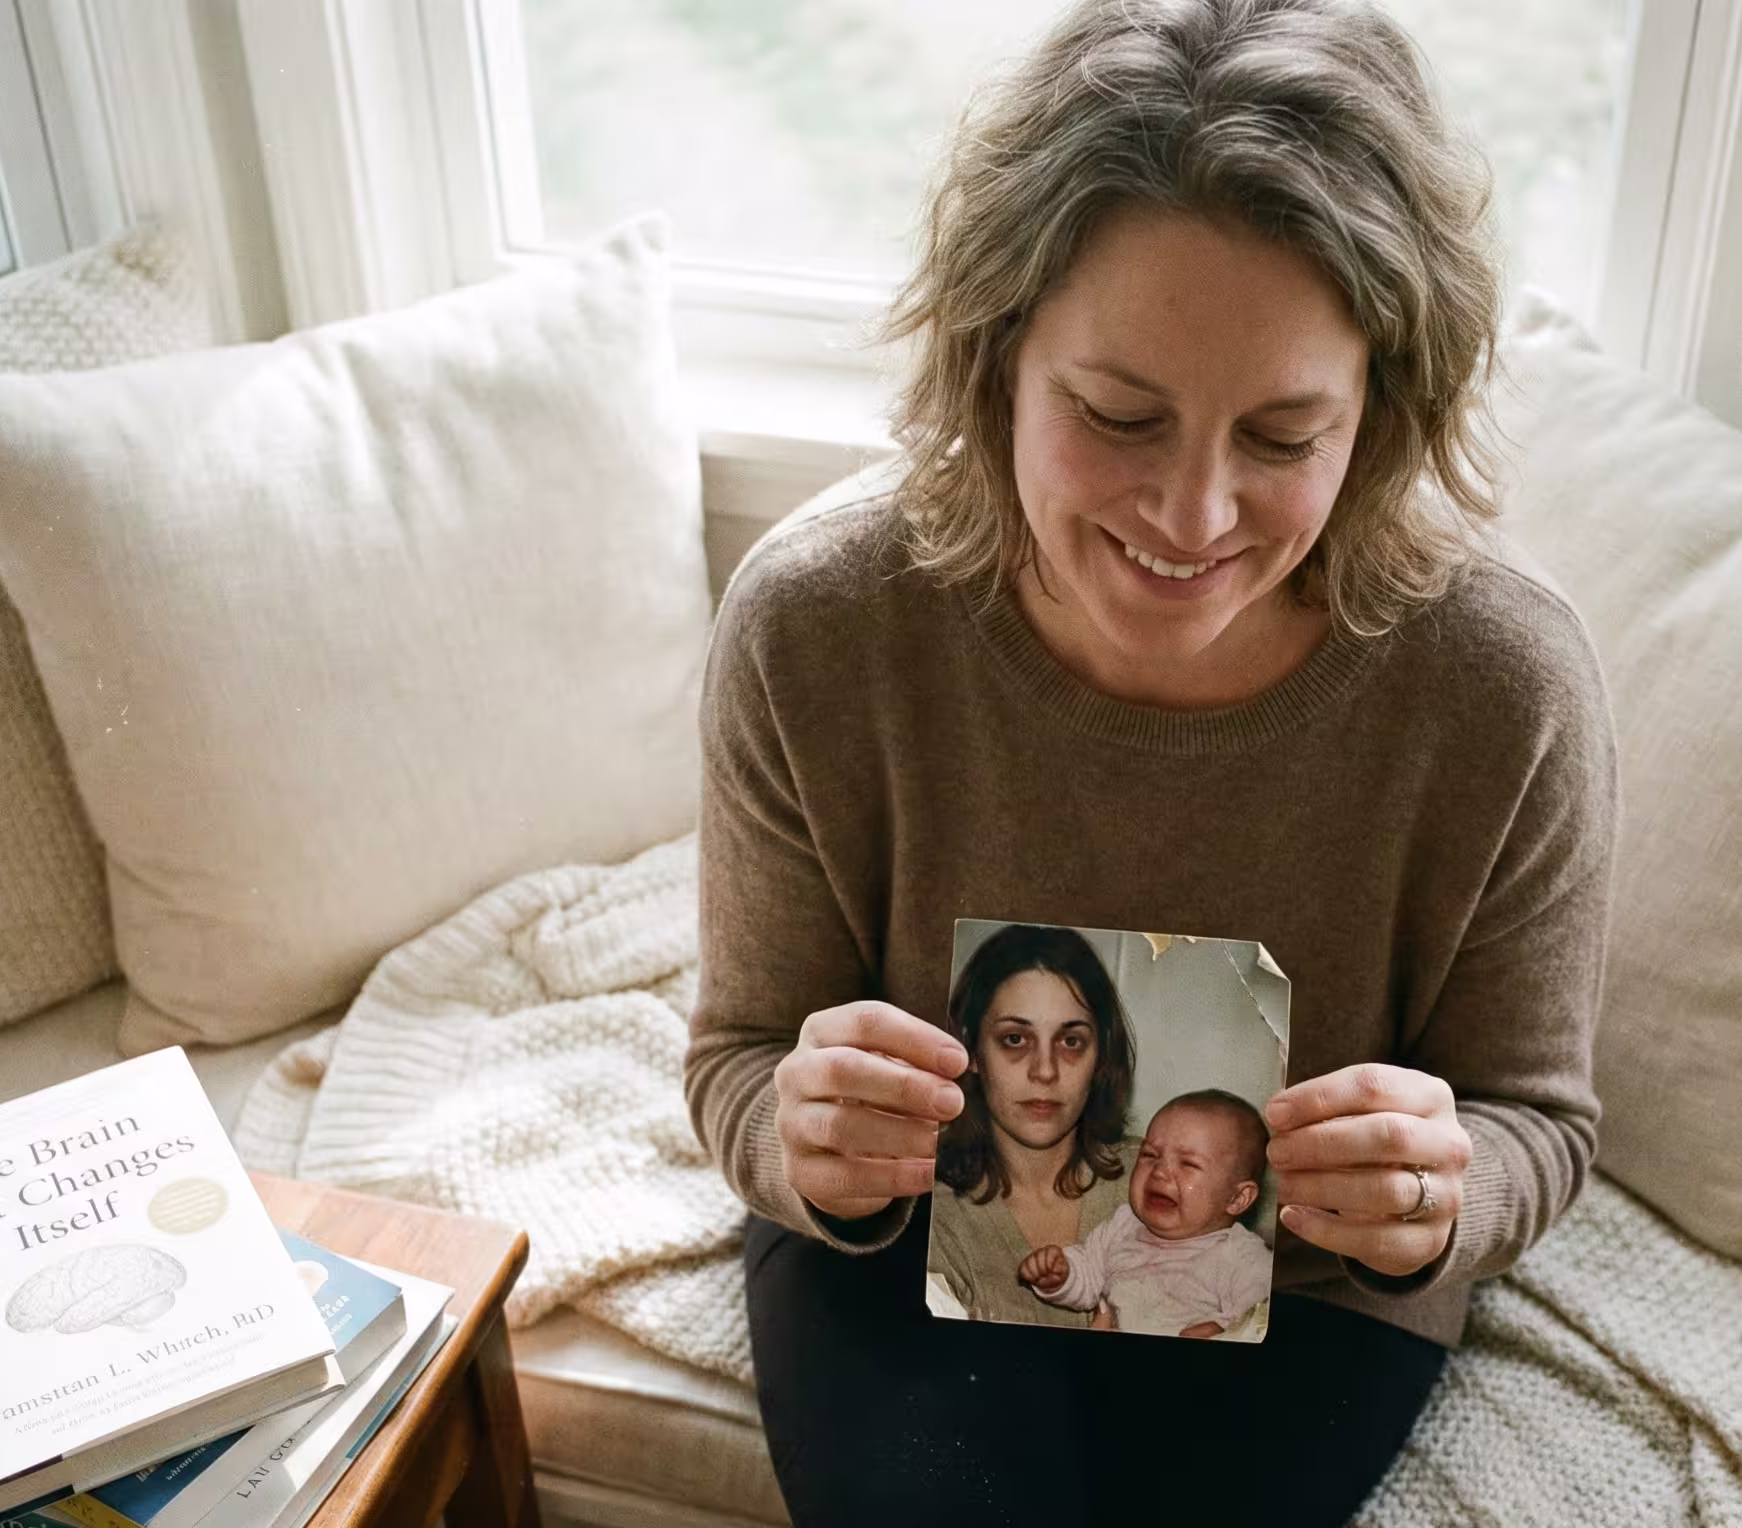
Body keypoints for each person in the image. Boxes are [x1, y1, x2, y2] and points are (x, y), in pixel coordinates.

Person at [683, 0, 1619, 1522]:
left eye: (1282, 436)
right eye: (1119, 416)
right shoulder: (819, 624)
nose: (1191, 519)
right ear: (996, 364)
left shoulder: (1499, 685)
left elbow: (1539, 1118)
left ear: (1380, 410)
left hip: (1305, 1292)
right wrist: (801, 1142)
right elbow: (736, 1058)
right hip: (909, 1249)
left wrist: (1443, 1191)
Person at [924, 922, 1139, 1327]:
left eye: (1071, 1042)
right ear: (970, 1050)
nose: (1045, 1071)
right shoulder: (935, 1222)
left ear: (1100, 1057)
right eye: (1015, 1039)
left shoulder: (1159, 1184)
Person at [1018, 1089, 1275, 1339]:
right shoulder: (1122, 1227)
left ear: (1237, 1198)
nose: (1159, 1171)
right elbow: (1087, 1275)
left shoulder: (1243, 1257)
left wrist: (1225, 1331)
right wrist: (1060, 1275)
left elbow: (1260, 1316)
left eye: (1188, 1163)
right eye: (1149, 1155)